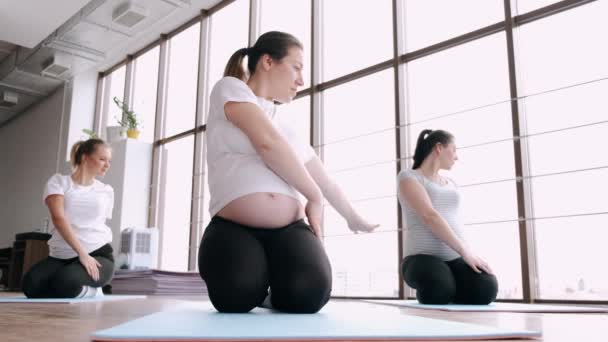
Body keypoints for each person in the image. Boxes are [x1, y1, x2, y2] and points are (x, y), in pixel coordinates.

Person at [199, 31, 378, 313]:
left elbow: (324, 180)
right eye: (296, 67)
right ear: (267, 62)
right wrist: (314, 197)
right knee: (235, 295)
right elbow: (267, 144)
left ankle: (272, 292)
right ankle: (257, 285)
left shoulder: (286, 124)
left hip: (290, 229)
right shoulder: (230, 88)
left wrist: (353, 218)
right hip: (233, 227)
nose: (301, 80)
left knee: (309, 294)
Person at [398, 129, 498, 304]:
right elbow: (430, 216)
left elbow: (453, 219)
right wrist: (465, 251)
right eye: (454, 149)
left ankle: (450, 287)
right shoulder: (409, 177)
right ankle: (443, 287)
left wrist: (468, 252)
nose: (456, 156)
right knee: (439, 289)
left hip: (455, 256)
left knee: (486, 288)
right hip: (420, 258)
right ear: (438, 148)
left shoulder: (451, 183)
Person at [22, 138, 115, 298]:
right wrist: (81, 253)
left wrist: (86, 255)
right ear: (85, 157)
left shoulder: (106, 191)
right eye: (102, 159)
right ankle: (74, 288)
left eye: (109, 160)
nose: (107, 165)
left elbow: (96, 225)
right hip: (61, 256)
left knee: (65, 282)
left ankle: (93, 290)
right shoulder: (59, 182)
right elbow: (58, 218)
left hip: (97, 254)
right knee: (31, 285)